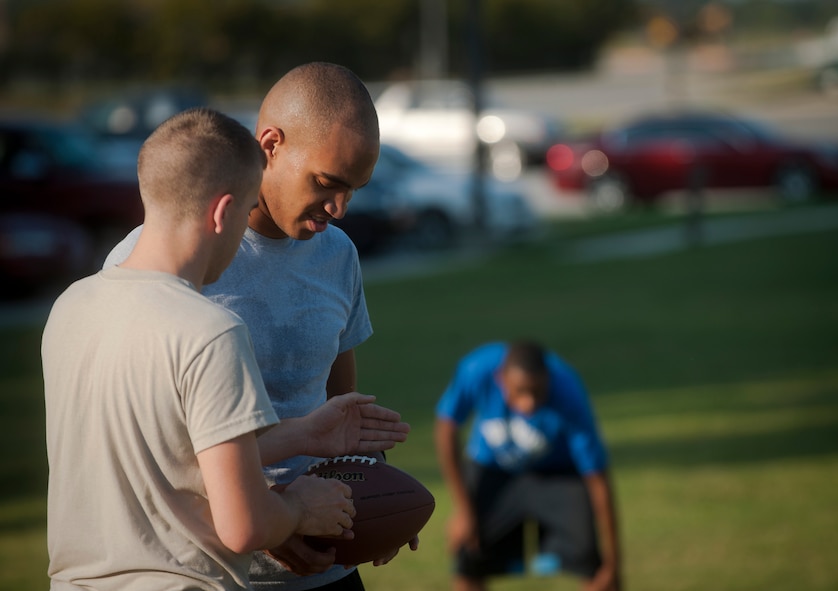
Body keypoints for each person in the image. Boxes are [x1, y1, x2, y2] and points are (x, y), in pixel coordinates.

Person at [103, 63, 413, 591]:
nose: (338, 209)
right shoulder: (155, 262)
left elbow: (342, 413)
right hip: (214, 573)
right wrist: (272, 523)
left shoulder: (338, 255)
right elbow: (149, 450)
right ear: (270, 144)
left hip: (329, 568)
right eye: (326, 182)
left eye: (355, 189)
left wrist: (379, 502)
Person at [42, 108, 366, 590]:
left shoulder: (69, 307)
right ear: (223, 212)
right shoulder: (211, 331)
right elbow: (246, 527)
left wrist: (300, 436)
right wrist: (297, 508)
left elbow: (170, 456)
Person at [434, 341, 622, 591]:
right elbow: (446, 429)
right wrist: (463, 510)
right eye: (520, 391)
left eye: (537, 391)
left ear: (549, 379)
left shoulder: (568, 388)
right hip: (493, 469)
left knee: (593, 563)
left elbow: (597, 476)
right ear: (501, 379)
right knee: (468, 552)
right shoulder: (476, 370)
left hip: (557, 473)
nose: (529, 403)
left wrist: (613, 562)